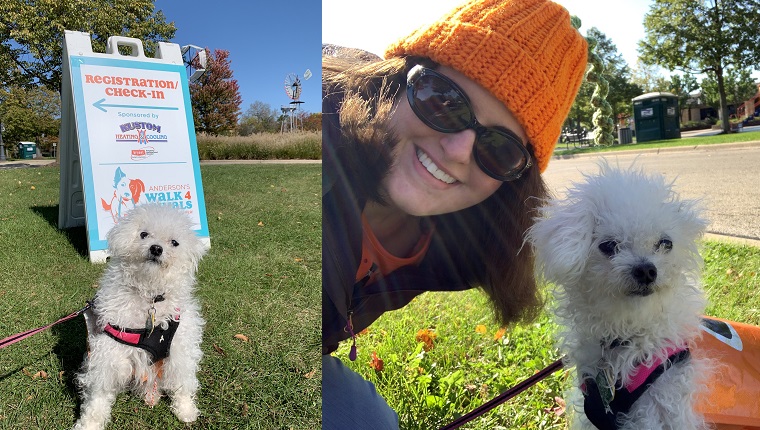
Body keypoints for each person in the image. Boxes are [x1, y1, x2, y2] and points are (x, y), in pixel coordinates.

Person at [322, 0, 588, 428]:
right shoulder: (316, 141)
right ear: (399, 77)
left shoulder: (466, 239)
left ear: (515, 179)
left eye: (499, 149)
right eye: (443, 102)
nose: (459, 151)